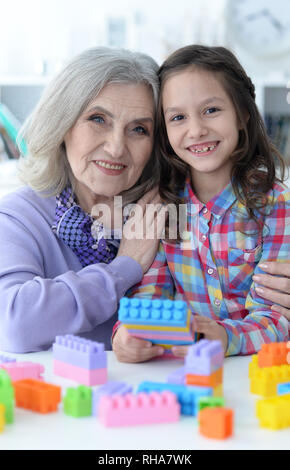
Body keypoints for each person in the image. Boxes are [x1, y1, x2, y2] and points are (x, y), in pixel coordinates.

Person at [113, 45, 290, 362]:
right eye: (178, 117)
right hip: (182, 371)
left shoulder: (276, 205)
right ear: (165, 132)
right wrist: (126, 335)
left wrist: (225, 337)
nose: (196, 130)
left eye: (211, 110)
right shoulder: (162, 206)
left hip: (256, 369)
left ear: (242, 113)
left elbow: (277, 317)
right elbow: (149, 295)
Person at [0, 47, 167, 353]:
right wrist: (125, 267)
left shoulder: (167, 213)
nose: (116, 148)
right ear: (63, 126)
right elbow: (15, 323)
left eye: (139, 129)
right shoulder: (17, 217)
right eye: (98, 119)